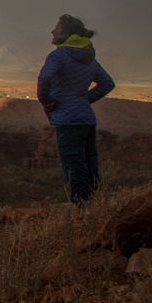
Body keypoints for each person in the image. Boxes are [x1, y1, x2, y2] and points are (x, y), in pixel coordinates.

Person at [36, 14, 115, 203]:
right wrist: (83, 100)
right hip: (87, 120)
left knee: (74, 168)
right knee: (90, 166)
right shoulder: (89, 58)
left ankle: (82, 210)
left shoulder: (59, 55)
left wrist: (46, 101)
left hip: (68, 121)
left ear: (66, 34)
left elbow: (45, 78)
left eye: (57, 28)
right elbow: (107, 84)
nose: (52, 31)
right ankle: (96, 207)